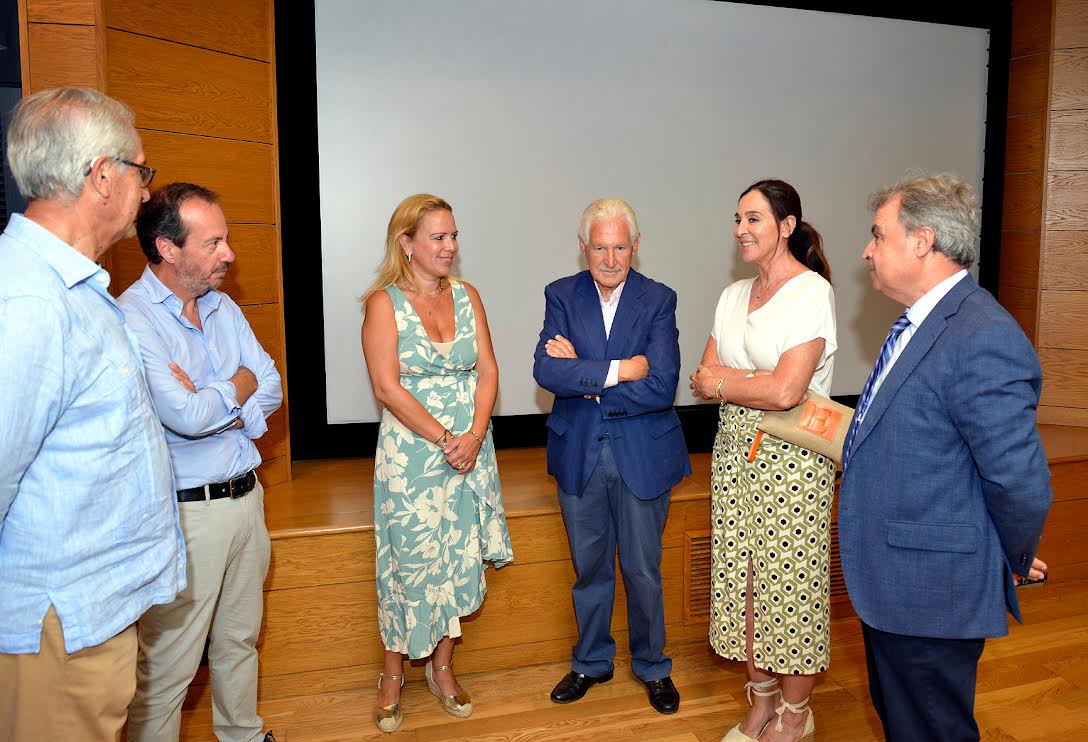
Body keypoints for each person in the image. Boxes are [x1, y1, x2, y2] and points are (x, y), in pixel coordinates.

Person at [838, 173, 1051, 741]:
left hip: (932, 587)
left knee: (931, 729)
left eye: (878, 235)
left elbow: (1019, 479)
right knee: (904, 722)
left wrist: (1008, 553)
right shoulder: (923, 323)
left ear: (922, 240)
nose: (866, 250)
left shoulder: (981, 334)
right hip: (896, 583)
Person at [0, 87, 185, 740]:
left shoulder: (68, 289)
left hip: (89, 617)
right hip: (58, 631)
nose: (145, 192)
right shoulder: (30, 303)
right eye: (140, 172)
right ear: (102, 176)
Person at [120, 183, 281, 742]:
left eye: (227, 239)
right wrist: (236, 386)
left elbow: (272, 385)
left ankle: (244, 734)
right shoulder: (133, 318)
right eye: (213, 242)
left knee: (239, 642)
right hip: (187, 516)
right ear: (168, 248)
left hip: (247, 497)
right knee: (171, 667)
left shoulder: (224, 305)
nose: (228, 254)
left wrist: (222, 397)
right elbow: (182, 415)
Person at [360, 193, 513, 733]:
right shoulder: (383, 303)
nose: (450, 247)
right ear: (407, 243)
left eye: (454, 236)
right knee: (411, 563)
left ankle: (443, 667)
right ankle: (393, 674)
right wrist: (448, 437)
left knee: (457, 557)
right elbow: (386, 387)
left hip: (471, 449)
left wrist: (472, 436)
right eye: (438, 238)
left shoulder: (469, 296)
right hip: (413, 455)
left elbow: (489, 371)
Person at [690, 179, 835, 742]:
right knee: (744, 581)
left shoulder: (811, 292)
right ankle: (761, 701)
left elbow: (786, 394)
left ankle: (797, 715)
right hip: (732, 453)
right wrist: (751, 380)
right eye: (737, 219)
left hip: (793, 460)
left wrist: (734, 380)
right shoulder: (731, 296)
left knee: (790, 584)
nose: (740, 229)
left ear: (787, 225)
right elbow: (702, 380)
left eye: (754, 219)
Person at [534, 198, 688, 715]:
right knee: (589, 568)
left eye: (620, 246)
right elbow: (547, 373)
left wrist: (585, 373)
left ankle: (652, 666)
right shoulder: (561, 294)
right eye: (599, 246)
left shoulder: (659, 299)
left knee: (644, 570)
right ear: (584, 248)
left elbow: (663, 384)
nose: (610, 256)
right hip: (580, 453)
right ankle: (591, 662)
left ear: (635, 248)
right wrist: (621, 370)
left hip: (642, 456)